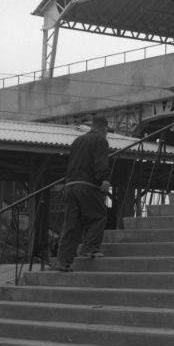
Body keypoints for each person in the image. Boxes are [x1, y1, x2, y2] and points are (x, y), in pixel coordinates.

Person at [53, 115, 112, 271]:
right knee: (98, 215)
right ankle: (90, 249)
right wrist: (104, 180)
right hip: (86, 185)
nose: (107, 134)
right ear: (103, 129)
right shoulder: (100, 140)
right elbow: (100, 162)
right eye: (107, 132)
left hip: (70, 185)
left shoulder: (77, 141)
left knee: (71, 224)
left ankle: (63, 262)